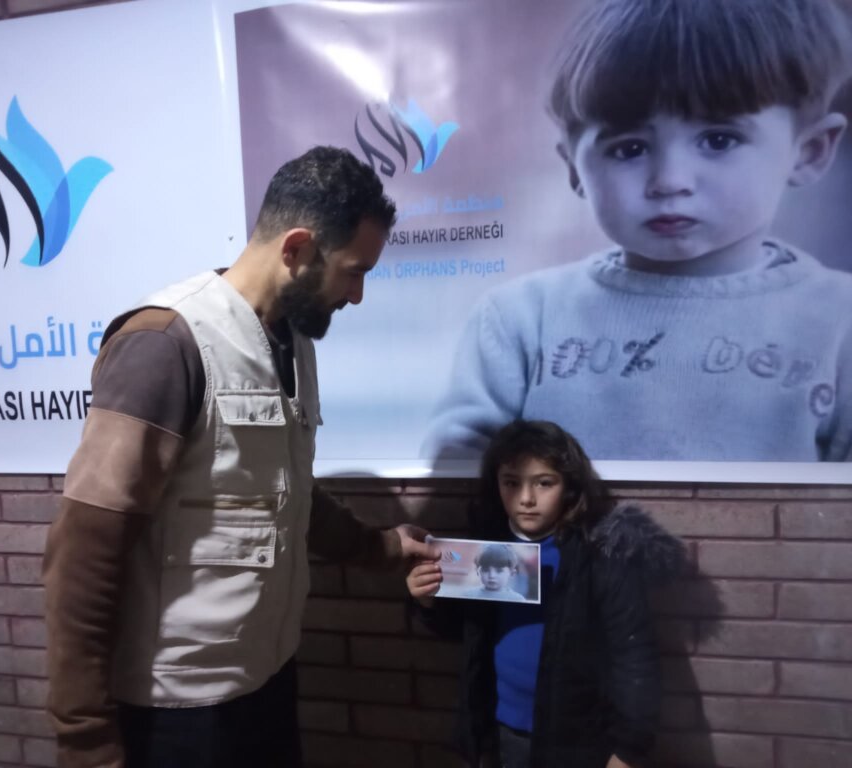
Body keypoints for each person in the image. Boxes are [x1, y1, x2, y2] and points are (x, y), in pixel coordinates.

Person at [43, 146, 436, 768]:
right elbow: (85, 554)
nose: (357, 295)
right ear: (297, 249)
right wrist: (86, 739)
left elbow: (283, 495)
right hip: (177, 713)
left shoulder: (293, 342)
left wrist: (382, 548)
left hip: (265, 682)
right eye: (353, 272)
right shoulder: (165, 344)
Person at [422, 0, 852, 462]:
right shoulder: (522, 321)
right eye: (629, 149)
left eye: (718, 140)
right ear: (574, 169)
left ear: (809, 151)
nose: (670, 181)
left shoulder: (840, 321)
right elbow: (459, 472)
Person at [407, 420, 685, 768]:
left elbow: (635, 657)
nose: (526, 499)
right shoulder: (485, 546)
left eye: (544, 483)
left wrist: (629, 750)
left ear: (568, 486)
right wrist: (427, 600)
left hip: (577, 739)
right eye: (511, 483)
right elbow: (468, 632)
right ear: (496, 484)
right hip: (502, 731)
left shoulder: (600, 555)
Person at [455, 543, 528, 602]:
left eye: (499, 571)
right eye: (486, 570)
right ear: (478, 571)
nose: (491, 576)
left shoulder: (517, 599)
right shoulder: (468, 596)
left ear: (512, 573)